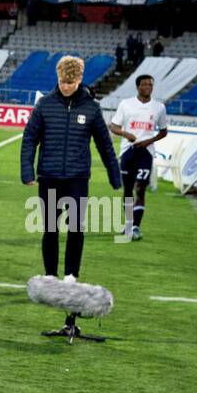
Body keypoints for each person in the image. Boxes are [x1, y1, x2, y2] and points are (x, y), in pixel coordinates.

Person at [21, 55, 122, 339]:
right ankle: (51, 275)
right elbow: (30, 138)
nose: (66, 87)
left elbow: (105, 144)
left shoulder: (90, 108)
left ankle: (71, 275)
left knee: (76, 228)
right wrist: (27, 170)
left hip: (78, 179)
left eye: (71, 82)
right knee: (50, 228)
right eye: (63, 82)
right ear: (58, 78)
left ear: (79, 80)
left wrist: (116, 178)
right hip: (49, 176)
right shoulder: (44, 105)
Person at [109, 73, 168, 241]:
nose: (148, 87)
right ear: (138, 87)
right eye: (145, 84)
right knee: (127, 190)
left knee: (140, 188)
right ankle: (128, 224)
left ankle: (135, 227)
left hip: (146, 152)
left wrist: (148, 141)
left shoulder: (159, 107)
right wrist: (126, 134)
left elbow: (163, 131)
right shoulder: (126, 104)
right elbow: (113, 126)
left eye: (150, 84)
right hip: (128, 151)